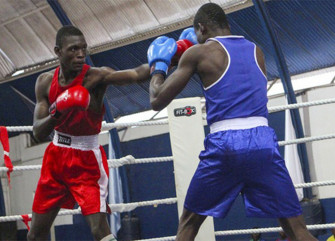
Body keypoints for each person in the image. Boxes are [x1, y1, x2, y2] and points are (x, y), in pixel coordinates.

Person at [147, 3, 317, 241]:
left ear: (202, 28)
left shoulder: (198, 53)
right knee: (295, 227)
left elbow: (157, 99)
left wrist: (159, 66)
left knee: (189, 223)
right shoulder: (256, 50)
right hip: (263, 142)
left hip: (225, 145)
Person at [27, 25, 150, 241]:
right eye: (73, 49)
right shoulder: (45, 82)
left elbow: (136, 74)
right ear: (58, 51)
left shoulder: (96, 77)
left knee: (98, 230)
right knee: (35, 234)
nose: (81, 55)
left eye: (84, 49)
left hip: (86, 159)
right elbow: (37, 131)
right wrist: (58, 109)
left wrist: (169, 58)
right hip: (55, 157)